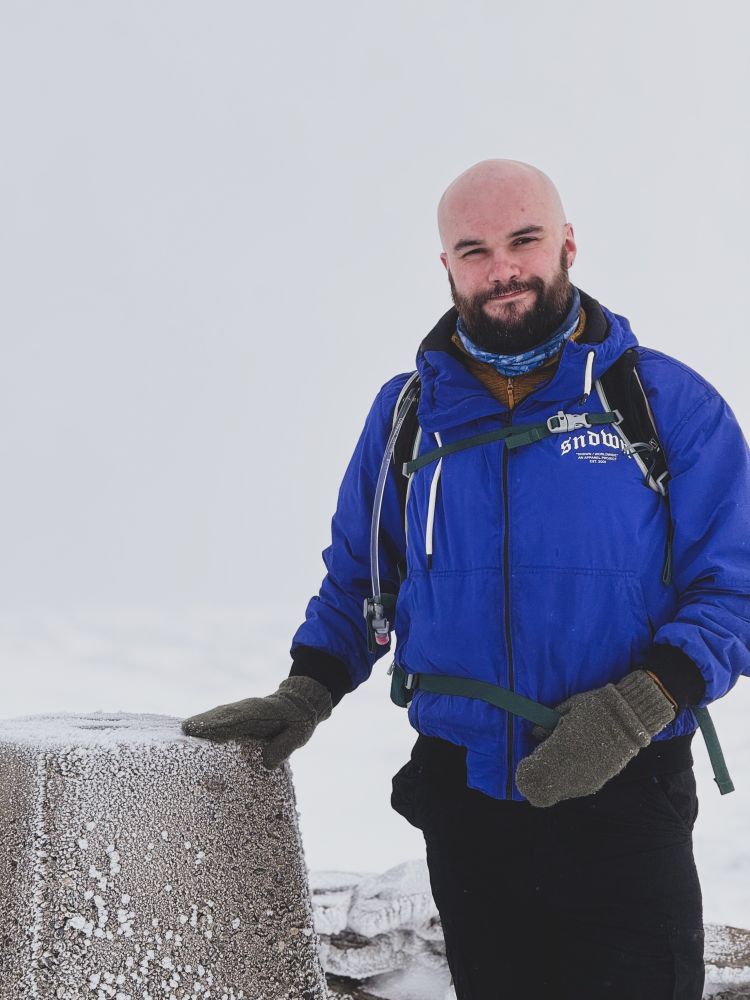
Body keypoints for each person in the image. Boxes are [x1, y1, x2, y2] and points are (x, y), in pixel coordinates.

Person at [182, 160, 750, 999]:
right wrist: (308, 687)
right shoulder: (407, 414)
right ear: (446, 264)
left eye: (524, 240)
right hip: (467, 800)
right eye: (475, 250)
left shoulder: (663, 401)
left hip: (627, 790)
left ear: (567, 243)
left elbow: (734, 585)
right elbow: (363, 576)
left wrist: (637, 708)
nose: (502, 268)